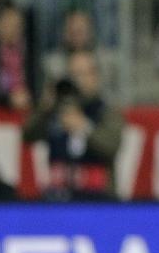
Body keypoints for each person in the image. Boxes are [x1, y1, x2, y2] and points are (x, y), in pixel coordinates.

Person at [23, 51, 124, 201]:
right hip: (58, 197)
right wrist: (44, 108)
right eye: (73, 74)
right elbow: (27, 136)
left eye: (82, 74)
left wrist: (84, 127)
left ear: (95, 76)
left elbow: (111, 147)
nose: (78, 80)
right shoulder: (56, 109)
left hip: (98, 198)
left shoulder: (106, 111)